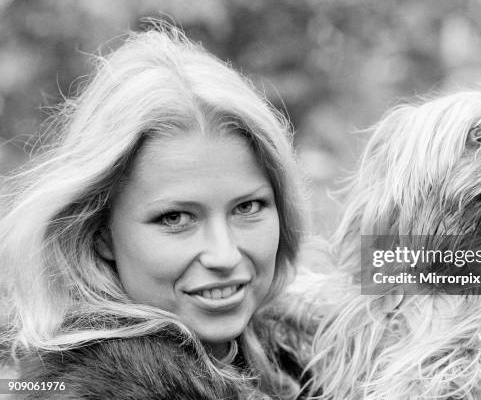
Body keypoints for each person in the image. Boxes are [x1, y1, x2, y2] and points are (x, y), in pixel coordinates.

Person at [0, 24, 308, 399]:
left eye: (248, 207)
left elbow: (384, 292)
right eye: (175, 218)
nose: (224, 255)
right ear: (100, 235)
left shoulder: (286, 343)